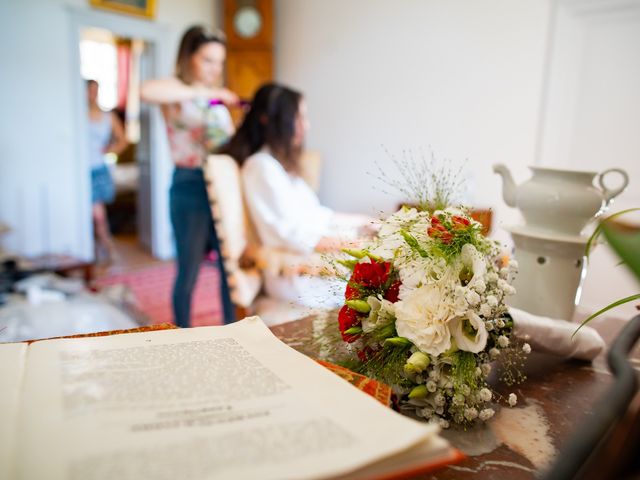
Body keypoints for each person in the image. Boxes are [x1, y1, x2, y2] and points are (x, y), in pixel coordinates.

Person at [221, 83, 376, 308]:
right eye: (298, 117)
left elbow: (318, 215)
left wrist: (365, 221)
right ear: (268, 119)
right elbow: (293, 235)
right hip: (295, 275)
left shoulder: (280, 167)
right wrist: (353, 243)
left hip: (306, 262)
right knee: (379, 290)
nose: (306, 125)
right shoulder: (261, 167)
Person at [141, 26, 239, 327]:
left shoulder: (215, 98)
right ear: (189, 57)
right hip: (190, 184)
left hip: (221, 187)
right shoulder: (176, 91)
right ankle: (181, 333)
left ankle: (232, 332)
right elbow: (145, 92)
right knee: (189, 270)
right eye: (208, 60)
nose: (214, 69)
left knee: (228, 269)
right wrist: (205, 92)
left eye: (219, 62)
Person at [86, 79, 128, 265]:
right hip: (81, 170)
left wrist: (110, 150)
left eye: (96, 90)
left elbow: (122, 140)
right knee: (90, 214)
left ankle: (106, 250)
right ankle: (98, 250)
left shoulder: (107, 116)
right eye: (90, 90)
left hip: (98, 168)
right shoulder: (77, 113)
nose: (93, 94)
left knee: (98, 214)